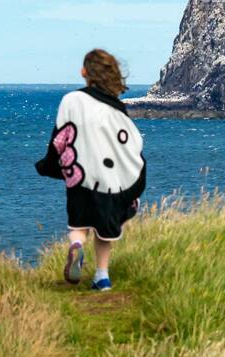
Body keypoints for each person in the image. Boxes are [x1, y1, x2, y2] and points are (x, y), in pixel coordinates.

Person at [36, 49, 145, 291]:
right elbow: (131, 145)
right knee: (104, 229)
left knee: (79, 224)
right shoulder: (117, 109)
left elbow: (60, 138)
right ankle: (102, 276)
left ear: (84, 72)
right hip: (109, 179)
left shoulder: (71, 100)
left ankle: (76, 246)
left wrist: (48, 166)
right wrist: (134, 180)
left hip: (80, 176)